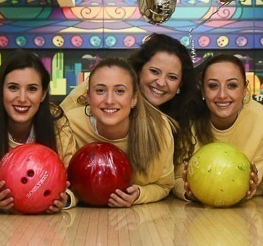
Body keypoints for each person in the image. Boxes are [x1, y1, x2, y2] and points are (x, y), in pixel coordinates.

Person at [61, 33, 198, 159]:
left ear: (181, 84)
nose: (161, 82)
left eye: (172, 77)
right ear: (138, 70)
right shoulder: (96, 86)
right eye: (154, 71)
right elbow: (58, 126)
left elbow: (173, 177)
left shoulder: (176, 121)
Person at [0, 52, 76, 212]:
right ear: (0, 90)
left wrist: (64, 197)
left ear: (43, 94)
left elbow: (71, 178)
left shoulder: (57, 122)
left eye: (32, 89)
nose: (22, 98)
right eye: (13, 88)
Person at [66, 57, 175, 206]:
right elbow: (62, 184)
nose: (109, 100)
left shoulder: (158, 129)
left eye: (119, 91)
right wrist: (70, 197)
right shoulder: (69, 124)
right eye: (100, 90)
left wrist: (139, 195)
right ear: (89, 98)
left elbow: (165, 185)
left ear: (134, 99)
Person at [174, 53, 263, 203]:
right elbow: (177, 178)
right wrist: (188, 191)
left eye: (232, 85)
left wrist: (249, 189)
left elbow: (259, 178)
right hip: (198, 211)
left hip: (246, 209)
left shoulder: (259, 116)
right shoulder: (189, 118)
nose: (222, 94)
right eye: (213, 86)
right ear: (203, 90)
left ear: (244, 89)